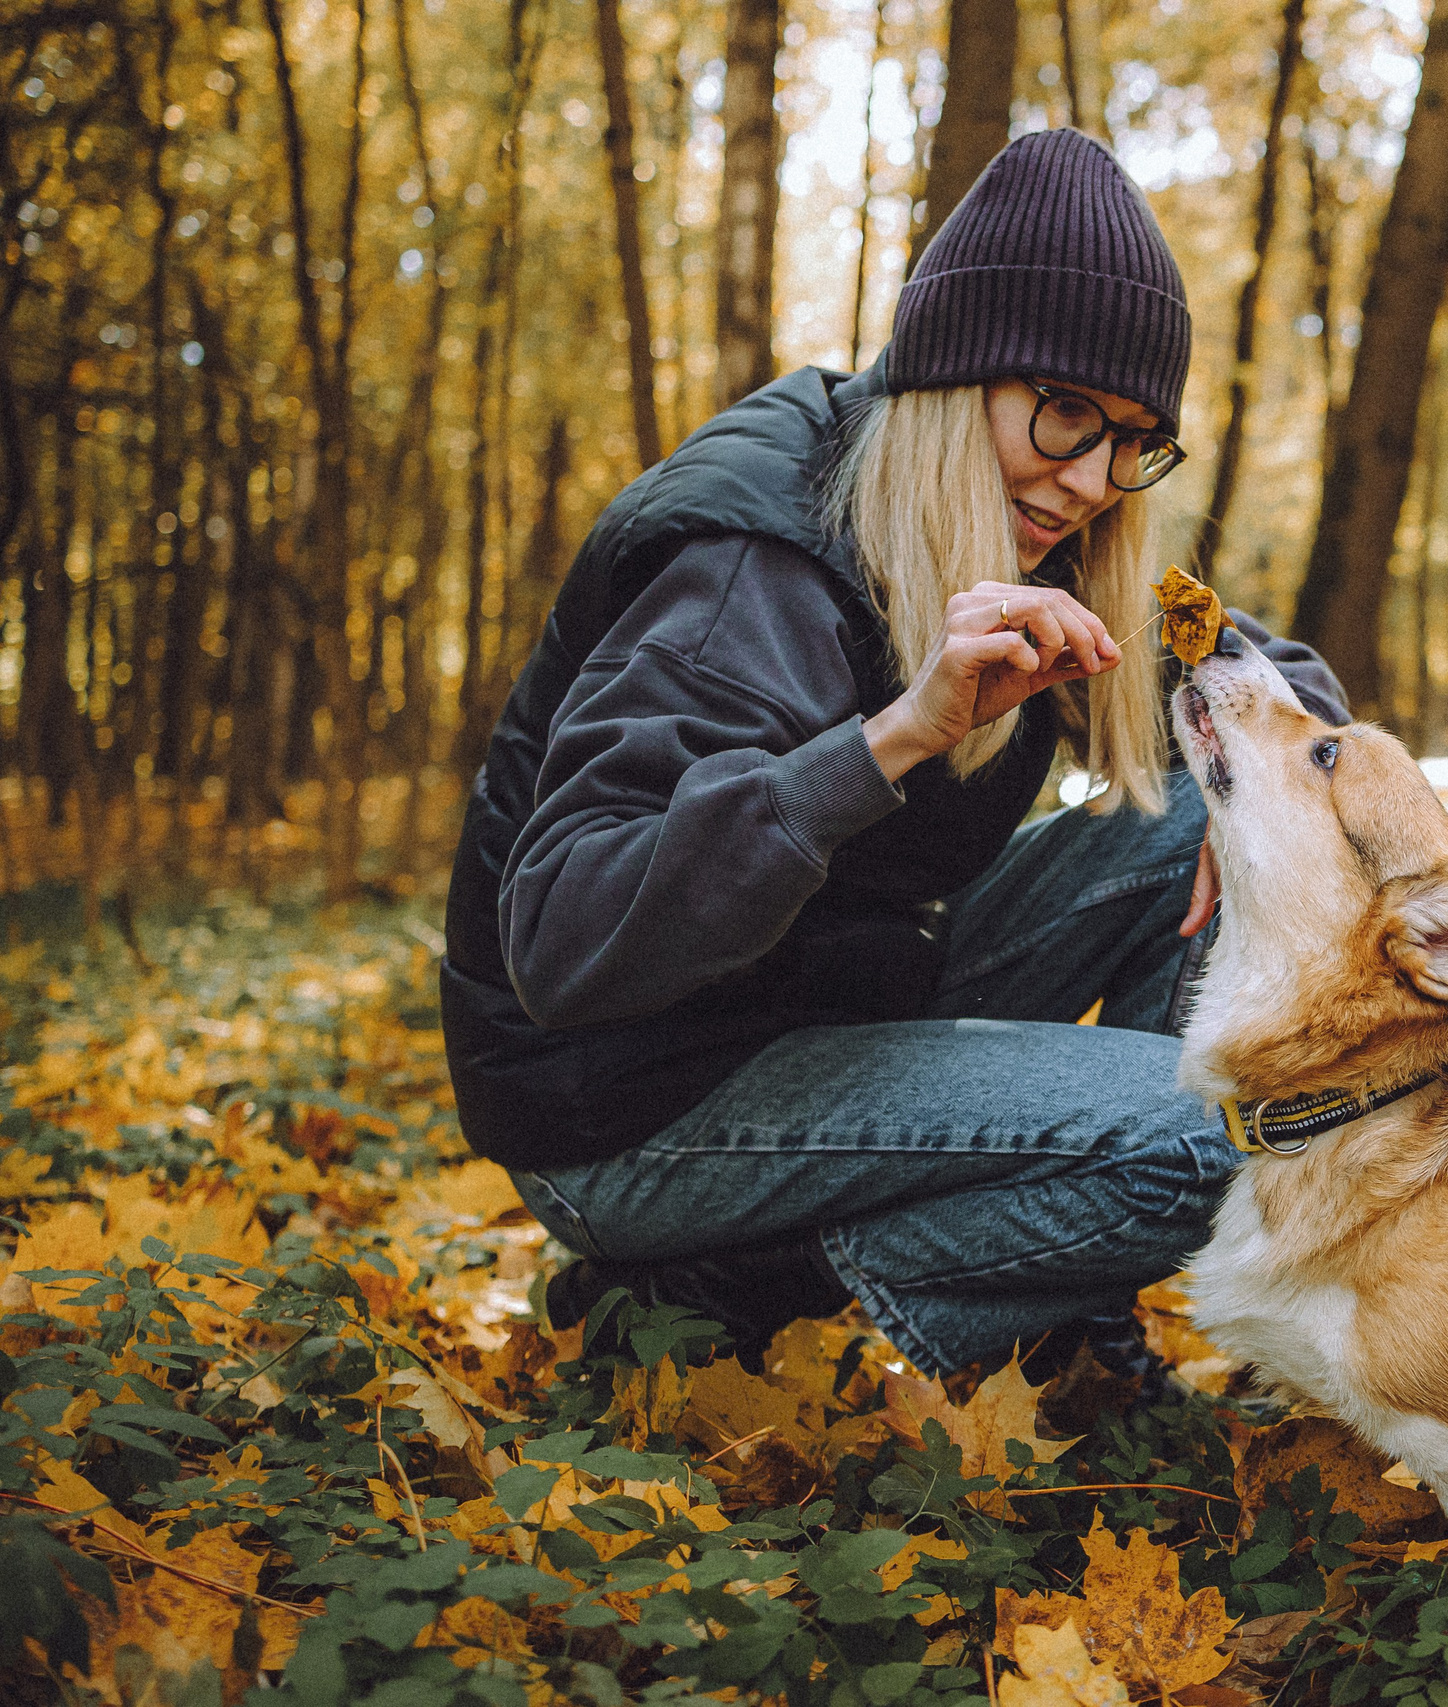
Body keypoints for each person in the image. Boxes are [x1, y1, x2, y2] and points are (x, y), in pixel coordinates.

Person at [439, 128, 1347, 1383]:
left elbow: (1261, 679)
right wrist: (895, 738)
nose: (1093, 479)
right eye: (1066, 414)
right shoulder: (752, 566)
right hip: (625, 1101)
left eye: (1133, 439)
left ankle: (1069, 1325)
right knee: (1214, 1135)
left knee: (1214, 805)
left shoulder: (1030, 537)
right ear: (956, 372)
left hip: (824, 1000)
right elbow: (564, 938)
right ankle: (728, 1294)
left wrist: (1255, 790)